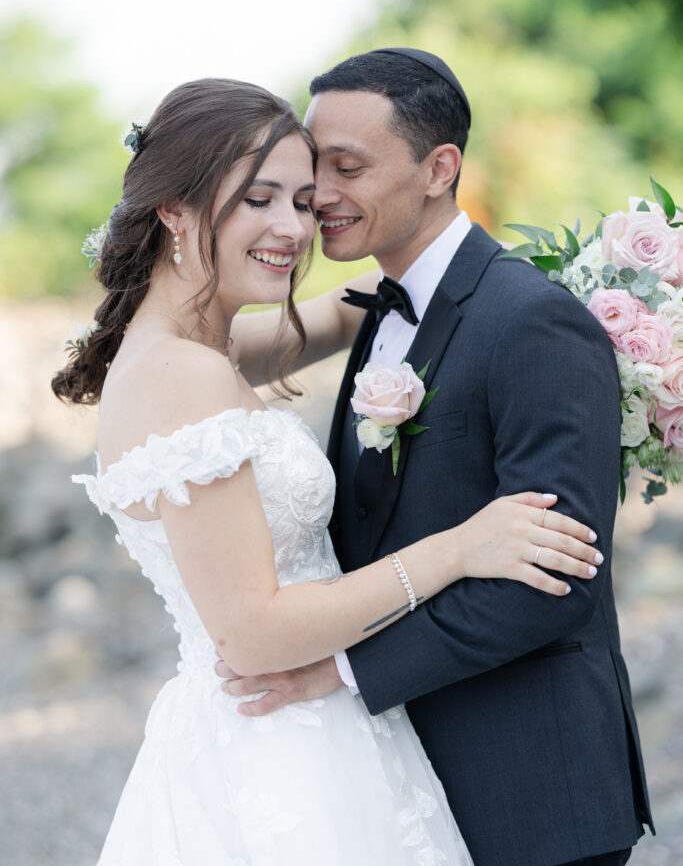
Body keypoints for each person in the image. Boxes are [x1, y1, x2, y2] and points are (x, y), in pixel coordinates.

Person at [53, 77, 603, 866]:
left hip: (306, 732)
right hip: (282, 749)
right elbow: (251, 632)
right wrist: (459, 549)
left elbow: (353, 309)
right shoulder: (184, 373)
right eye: (258, 200)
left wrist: (521, 279)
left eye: (303, 202)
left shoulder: (199, 349)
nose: (291, 228)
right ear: (173, 208)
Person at [218, 50, 654, 866]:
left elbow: (555, 582)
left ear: (438, 168)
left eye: (347, 167)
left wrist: (339, 670)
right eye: (315, 167)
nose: (321, 195)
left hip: (527, 789)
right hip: (405, 785)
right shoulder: (376, 307)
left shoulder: (531, 322)